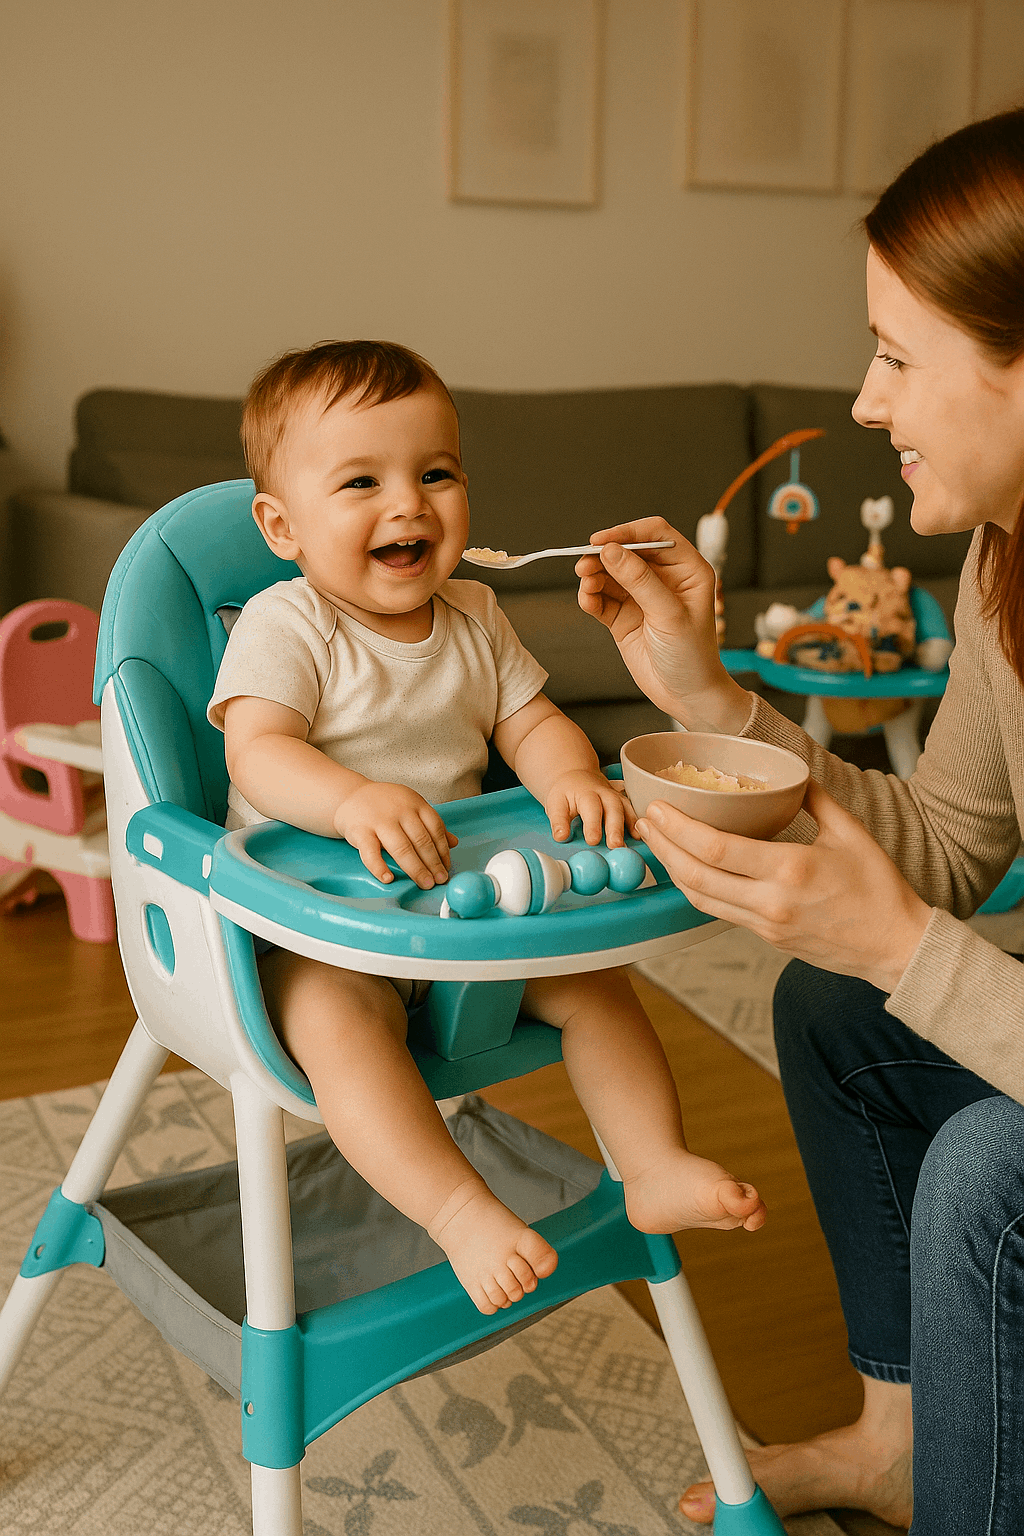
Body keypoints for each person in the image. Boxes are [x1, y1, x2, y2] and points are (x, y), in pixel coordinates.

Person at [575, 108, 1024, 1533]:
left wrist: (903, 942)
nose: (868, 401)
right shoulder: (1002, 564)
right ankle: (901, 1449)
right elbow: (953, 840)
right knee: (837, 1006)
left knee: (989, 1174)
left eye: (899, 354)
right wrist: (705, 696)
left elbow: (921, 910)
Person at [207, 339, 765, 1319]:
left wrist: (566, 779)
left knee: (596, 987)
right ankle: (459, 1211)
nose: (409, 504)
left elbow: (531, 722)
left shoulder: (475, 613)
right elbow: (255, 753)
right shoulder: (285, 625)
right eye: (361, 482)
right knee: (344, 1034)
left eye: (436, 473)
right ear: (281, 525)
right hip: (324, 924)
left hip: (466, 906)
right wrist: (348, 800)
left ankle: (651, 1161)